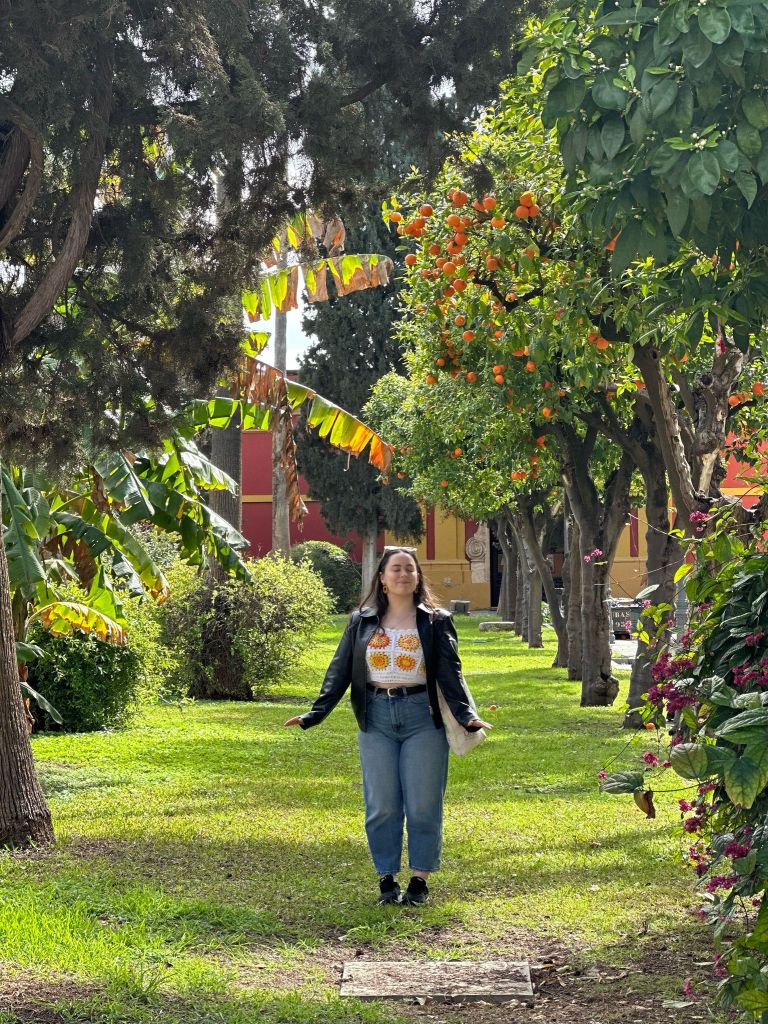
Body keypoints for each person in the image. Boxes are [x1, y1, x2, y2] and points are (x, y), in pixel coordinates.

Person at [284, 546, 490, 906]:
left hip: (422, 718)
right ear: (381, 578)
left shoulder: (436, 620)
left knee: (424, 802)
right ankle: (386, 878)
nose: (403, 575)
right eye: (396, 569)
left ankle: (420, 880)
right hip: (375, 716)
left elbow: (450, 673)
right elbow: (340, 670)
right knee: (381, 803)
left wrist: (466, 716)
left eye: (409, 569)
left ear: (417, 577)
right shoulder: (360, 621)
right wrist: (314, 714)